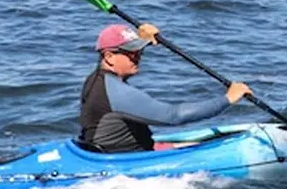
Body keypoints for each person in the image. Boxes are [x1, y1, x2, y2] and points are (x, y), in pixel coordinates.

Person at [79, 24, 252, 153]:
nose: (138, 57)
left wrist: (146, 39)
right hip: (124, 162)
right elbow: (174, 116)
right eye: (131, 53)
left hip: (111, 151)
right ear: (109, 57)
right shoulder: (117, 92)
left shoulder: (94, 80)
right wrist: (227, 99)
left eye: (140, 51)